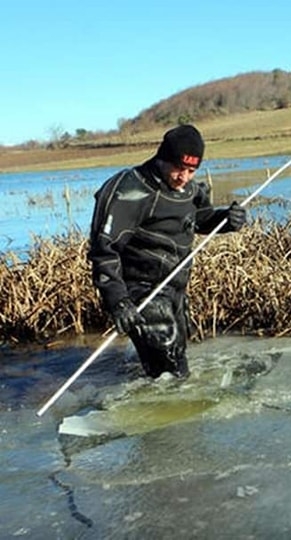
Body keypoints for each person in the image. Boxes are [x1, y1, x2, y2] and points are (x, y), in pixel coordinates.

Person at [88, 124, 247, 379]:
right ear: (163, 158)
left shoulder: (190, 189)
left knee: (172, 365)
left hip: (175, 289)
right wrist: (118, 302)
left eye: (191, 170)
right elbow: (104, 251)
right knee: (173, 374)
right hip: (141, 293)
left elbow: (201, 219)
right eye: (178, 168)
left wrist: (227, 220)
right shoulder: (128, 189)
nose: (183, 177)